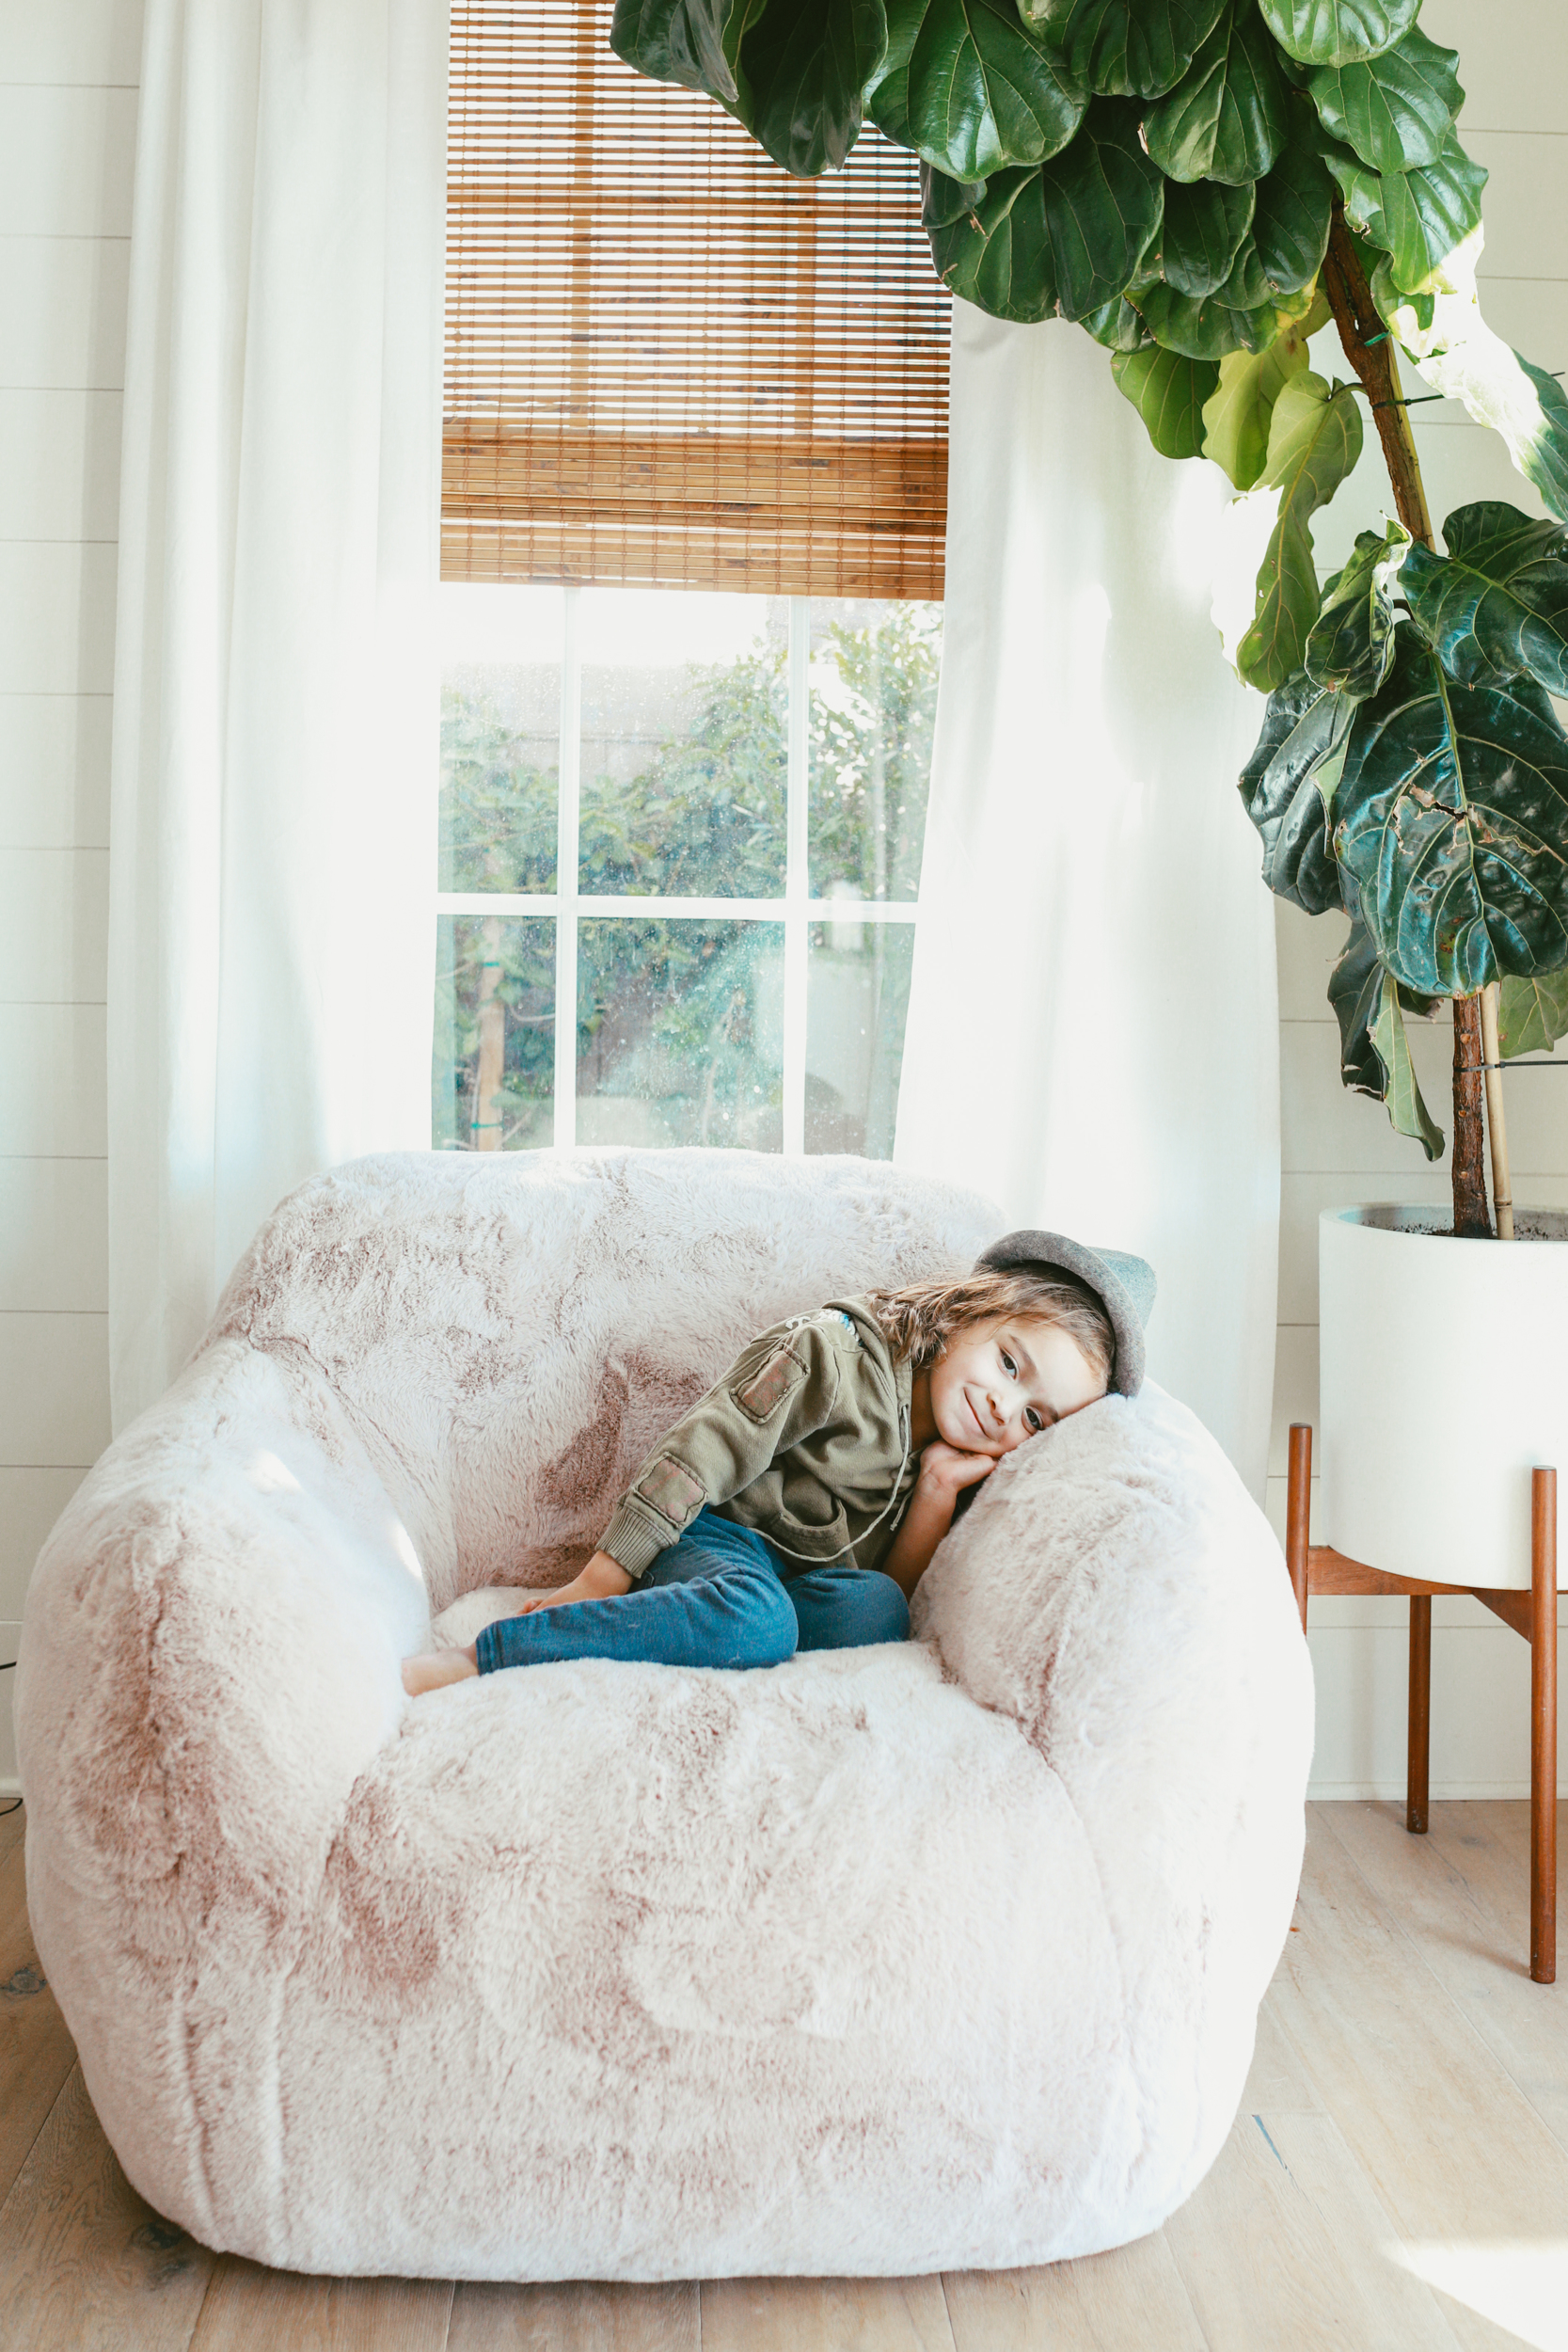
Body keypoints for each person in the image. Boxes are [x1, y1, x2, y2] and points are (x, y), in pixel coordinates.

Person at [401, 1228, 1155, 1697]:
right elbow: (701, 1452)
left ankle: (733, 1629)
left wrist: (932, 1488)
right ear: (969, 1310)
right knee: (757, 1622)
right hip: (713, 1538)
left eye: (1034, 1418)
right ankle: (492, 1657)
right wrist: (605, 1572)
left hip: (799, 1579)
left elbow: (883, 1588)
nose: (1001, 1407)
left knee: (877, 1613)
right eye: (1009, 1364)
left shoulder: (956, 1454)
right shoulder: (831, 1352)